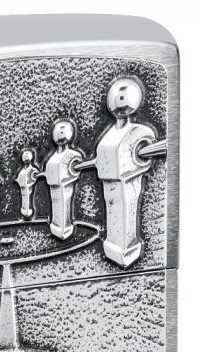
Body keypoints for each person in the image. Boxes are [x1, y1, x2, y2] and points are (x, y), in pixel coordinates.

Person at [95, 77, 157, 268]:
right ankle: (119, 246)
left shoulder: (140, 133)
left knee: (126, 200)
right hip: (110, 181)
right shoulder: (111, 134)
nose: (119, 100)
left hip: (126, 182)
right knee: (113, 201)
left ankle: (128, 247)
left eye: (123, 97)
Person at [43, 120, 84, 239]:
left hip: (65, 185)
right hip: (53, 185)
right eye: (58, 131)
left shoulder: (73, 155)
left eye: (63, 131)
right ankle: (57, 226)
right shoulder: (53, 157)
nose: (60, 133)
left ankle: (65, 228)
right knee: (56, 202)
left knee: (64, 200)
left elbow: (75, 168)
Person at [15, 149, 40, 219]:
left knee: (27, 198)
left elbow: (36, 175)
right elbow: (18, 178)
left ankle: (28, 211)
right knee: (24, 198)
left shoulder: (33, 170)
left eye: (27, 158)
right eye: (25, 158)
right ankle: (25, 211)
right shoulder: (22, 170)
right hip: (22, 188)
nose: (26, 160)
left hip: (28, 188)